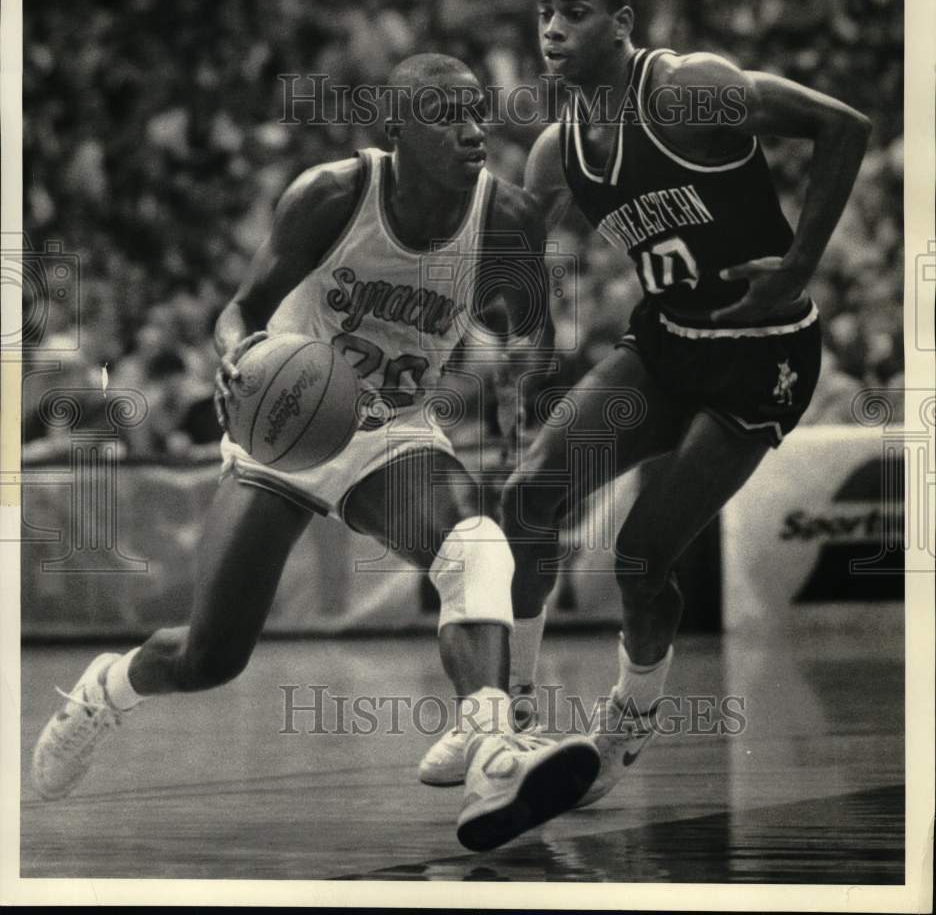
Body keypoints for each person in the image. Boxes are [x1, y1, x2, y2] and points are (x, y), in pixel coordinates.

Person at [31, 53, 600, 853]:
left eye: (477, 112)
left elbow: (529, 326)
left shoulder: (502, 218)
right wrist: (237, 354)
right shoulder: (331, 195)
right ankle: (106, 690)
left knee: (474, 545)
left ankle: (493, 742)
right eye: (444, 114)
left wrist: (521, 393)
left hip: (392, 431)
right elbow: (241, 309)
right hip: (289, 425)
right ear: (396, 127)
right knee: (209, 657)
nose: (472, 129)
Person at [422, 0, 872, 802]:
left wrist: (798, 264)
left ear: (622, 23)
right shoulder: (556, 155)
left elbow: (844, 125)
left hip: (764, 350)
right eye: (545, 12)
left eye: (576, 10)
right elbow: (509, 268)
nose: (553, 27)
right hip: (665, 344)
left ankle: (625, 726)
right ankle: (509, 722)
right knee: (527, 496)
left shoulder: (686, 89)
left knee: (640, 561)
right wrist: (523, 339)